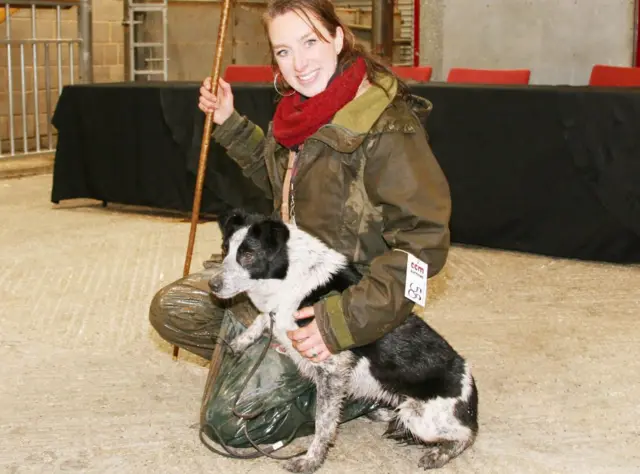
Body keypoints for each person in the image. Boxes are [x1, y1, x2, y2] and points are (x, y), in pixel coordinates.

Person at [150, 0, 450, 374]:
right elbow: (283, 181)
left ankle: (366, 376)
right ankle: (279, 363)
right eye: (284, 51)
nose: (300, 64)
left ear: (338, 39)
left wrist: (339, 324)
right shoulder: (297, 114)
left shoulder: (387, 128)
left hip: (347, 302)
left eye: (310, 42)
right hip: (290, 281)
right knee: (174, 310)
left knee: (232, 423)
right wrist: (228, 120)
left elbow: (424, 247)